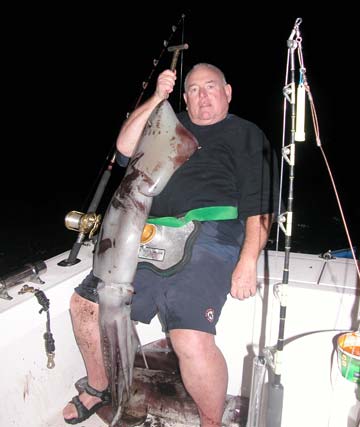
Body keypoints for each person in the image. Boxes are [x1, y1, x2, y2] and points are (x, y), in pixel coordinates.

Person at [63, 63, 280, 426]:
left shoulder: (247, 134)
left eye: (211, 87)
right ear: (185, 97)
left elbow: (261, 205)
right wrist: (156, 99)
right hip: (146, 233)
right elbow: (124, 147)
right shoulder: (169, 125)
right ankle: (99, 386)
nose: (203, 95)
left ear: (228, 92)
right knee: (84, 306)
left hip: (212, 234)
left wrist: (248, 261)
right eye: (193, 89)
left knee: (190, 338)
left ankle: (211, 421)